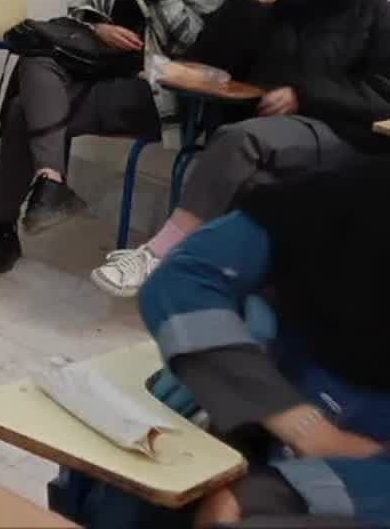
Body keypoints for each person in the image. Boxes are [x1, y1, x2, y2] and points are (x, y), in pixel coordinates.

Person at [92, 0, 390, 298]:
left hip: (334, 131)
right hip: (259, 133)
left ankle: (156, 254)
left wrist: (305, 94)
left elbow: (384, 91)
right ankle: (212, 285)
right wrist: (259, 3)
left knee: (240, 141)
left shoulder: (369, 10)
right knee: (254, 182)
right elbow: (207, 62)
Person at [0, 0, 230, 275]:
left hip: (151, 89)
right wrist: (99, 28)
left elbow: (189, 41)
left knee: (26, 109)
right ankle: (49, 180)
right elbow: (80, 6)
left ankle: (2, 225)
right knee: (36, 57)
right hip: (92, 68)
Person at [138, 160, 390, 525]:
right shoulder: (349, 194)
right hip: (261, 432)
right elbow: (183, 278)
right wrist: (302, 426)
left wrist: (268, 492)